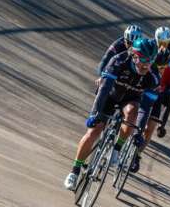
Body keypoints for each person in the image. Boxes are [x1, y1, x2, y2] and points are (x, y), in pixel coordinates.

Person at [63, 37, 160, 190]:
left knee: (133, 113)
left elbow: (146, 108)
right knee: (93, 132)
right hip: (110, 95)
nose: (147, 64)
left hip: (130, 100)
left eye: (151, 60)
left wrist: (139, 132)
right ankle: (74, 171)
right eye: (144, 59)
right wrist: (94, 114)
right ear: (134, 55)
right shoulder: (119, 61)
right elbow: (104, 89)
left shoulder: (153, 76)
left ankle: (116, 149)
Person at [130, 26, 170, 173]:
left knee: (149, 129)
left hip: (158, 95)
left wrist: (162, 125)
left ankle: (137, 155)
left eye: (165, 66)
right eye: (159, 66)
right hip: (145, 89)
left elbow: (168, 103)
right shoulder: (148, 63)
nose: (162, 69)